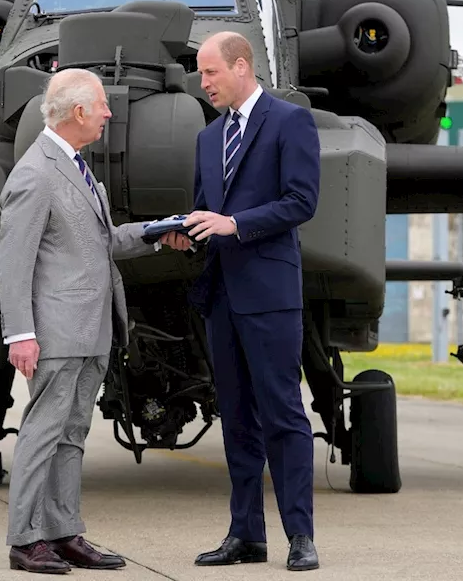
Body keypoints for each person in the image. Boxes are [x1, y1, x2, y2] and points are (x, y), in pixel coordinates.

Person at [0, 68, 192, 573]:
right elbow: (12, 261)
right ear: (79, 112)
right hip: (57, 331)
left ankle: (63, 532)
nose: (110, 113)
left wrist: (153, 231)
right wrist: (20, 333)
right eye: (102, 106)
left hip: (91, 330)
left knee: (72, 434)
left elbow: (100, 246)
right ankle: (25, 540)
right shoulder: (35, 173)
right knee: (43, 433)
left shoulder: (77, 169)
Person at [183, 31, 322, 572]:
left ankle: (300, 536)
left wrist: (235, 223)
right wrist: (187, 228)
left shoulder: (290, 121)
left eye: (210, 71)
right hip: (222, 295)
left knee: (284, 415)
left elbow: (301, 201)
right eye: (201, 72)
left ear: (242, 66)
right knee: (237, 418)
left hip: (269, 294)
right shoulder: (207, 138)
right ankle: (246, 535)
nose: (204, 82)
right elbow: (206, 210)